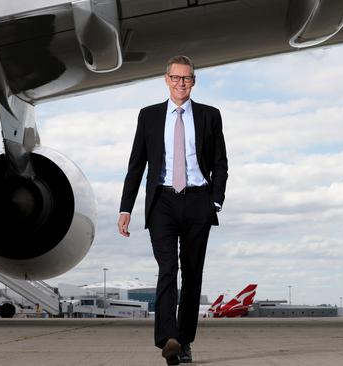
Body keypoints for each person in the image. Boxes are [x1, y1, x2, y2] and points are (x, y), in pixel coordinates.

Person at [117, 55, 228, 365]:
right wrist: (126, 208)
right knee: (168, 269)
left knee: (192, 275)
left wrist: (214, 201)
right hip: (162, 202)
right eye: (176, 78)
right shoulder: (149, 116)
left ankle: (184, 339)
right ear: (166, 80)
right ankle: (168, 339)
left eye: (187, 78)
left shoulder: (210, 115)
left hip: (198, 201)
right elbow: (136, 164)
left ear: (193, 82)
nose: (181, 83)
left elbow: (220, 162)